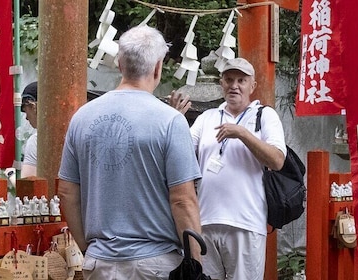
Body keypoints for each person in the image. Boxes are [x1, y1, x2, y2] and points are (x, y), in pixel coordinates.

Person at [57, 25, 203, 280]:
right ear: (158, 67)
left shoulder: (82, 117)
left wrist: (86, 248)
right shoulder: (170, 121)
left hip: (98, 262)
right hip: (154, 263)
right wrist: (196, 265)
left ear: (119, 63)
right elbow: (182, 200)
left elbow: (67, 192)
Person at [171, 57, 287, 280]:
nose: (234, 85)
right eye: (229, 79)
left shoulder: (264, 115)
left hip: (245, 221)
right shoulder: (207, 117)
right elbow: (179, 154)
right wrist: (174, 120)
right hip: (205, 221)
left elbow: (277, 160)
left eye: (241, 80)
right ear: (221, 84)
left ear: (252, 86)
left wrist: (242, 133)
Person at [20, 81, 38, 178]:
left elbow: (28, 184)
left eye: (26, 110)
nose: (26, 118)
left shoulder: (36, 141)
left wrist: (11, 175)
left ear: (33, 106)